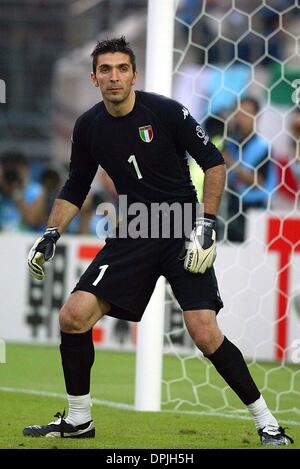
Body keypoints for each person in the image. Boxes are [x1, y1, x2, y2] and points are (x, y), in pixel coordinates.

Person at [23, 37, 293, 446]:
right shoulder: (88, 126)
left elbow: (214, 164)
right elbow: (76, 185)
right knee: (72, 317)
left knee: (203, 331)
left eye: (122, 68)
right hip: (134, 229)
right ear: (94, 78)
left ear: (134, 74)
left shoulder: (166, 112)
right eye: (106, 70)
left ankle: (267, 421)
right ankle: (79, 419)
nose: (114, 77)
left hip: (182, 227)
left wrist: (206, 224)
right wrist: (51, 232)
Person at [223, 97, 278, 242]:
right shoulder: (230, 143)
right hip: (233, 208)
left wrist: (231, 163)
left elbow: (259, 181)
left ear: (256, 116)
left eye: (246, 113)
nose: (241, 118)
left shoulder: (264, 146)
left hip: (256, 210)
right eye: (238, 113)